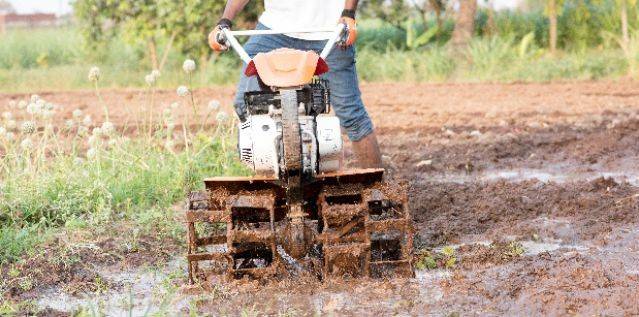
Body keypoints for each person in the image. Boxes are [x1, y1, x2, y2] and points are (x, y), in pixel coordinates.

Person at [208, 0, 382, 168]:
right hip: (274, 30)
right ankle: (268, 176)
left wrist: (349, 14)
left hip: (330, 31)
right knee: (245, 103)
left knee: (351, 114)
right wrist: (225, 21)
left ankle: (378, 189)